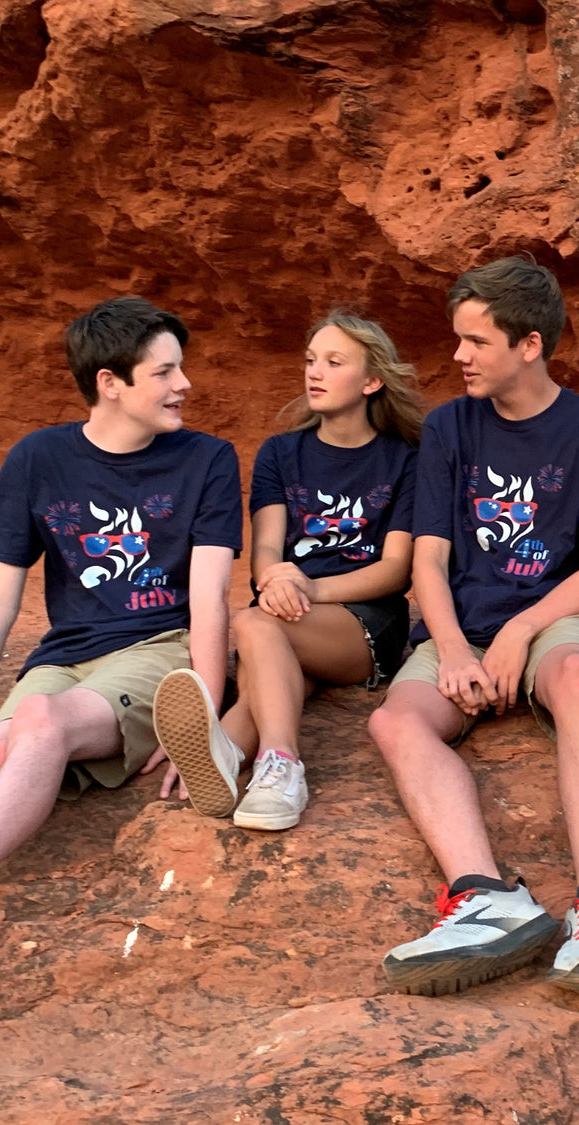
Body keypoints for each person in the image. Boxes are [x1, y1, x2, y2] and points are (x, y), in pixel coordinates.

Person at [0, 297, 241, 991]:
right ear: (111, 382)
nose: (184, 385)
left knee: (41, 722)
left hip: (159, 647)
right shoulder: (39, 457)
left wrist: (204, 706)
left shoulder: (207, 459)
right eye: (165, 372)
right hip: (66, 654)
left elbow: (208, 596)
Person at [367, 257, 579, 1001]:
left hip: (558, 624)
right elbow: (428, 560)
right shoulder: (450, 427)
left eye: (475, 341)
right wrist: (452, 648)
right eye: (458, 339)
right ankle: (486, 895)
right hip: (463, 631)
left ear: (528, 345)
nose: (458, 356)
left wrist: (523, 629)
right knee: (396, 721)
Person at [152, 312, 424, 832]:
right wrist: (276, 579)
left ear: (371, 381)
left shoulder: (404, 459)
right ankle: (224, 756)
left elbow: (394, 571)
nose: (314, 373)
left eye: (333, 362)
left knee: (255, 624)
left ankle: (282, 763)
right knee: (272, 658)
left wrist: (304, 585)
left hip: (363, 619)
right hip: (288, 611)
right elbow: (267, 549)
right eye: (309, 360)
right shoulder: (281, 451)